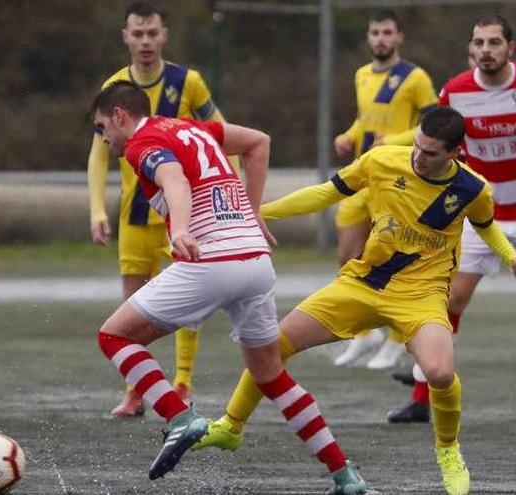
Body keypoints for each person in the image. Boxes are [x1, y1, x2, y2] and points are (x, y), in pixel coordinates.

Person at [193, 105, 516, 495]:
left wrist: (513, 259)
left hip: (422, 295)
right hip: (363, 284)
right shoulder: (382, 160)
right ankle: (230, 427)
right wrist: (259, 213)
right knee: (273, 345)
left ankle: (448, 451)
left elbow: (487, 227)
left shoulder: (473, 189)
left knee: (441, 374)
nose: (419, 156)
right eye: (417, 146)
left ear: (454, 152)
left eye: (430, 153)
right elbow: (325, 193)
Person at [89, 81, 366, 492]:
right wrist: (252, 214)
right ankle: (345, 476)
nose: (104, 139)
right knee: (271, 375)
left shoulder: (140, 144)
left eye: (101, 128)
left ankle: (180, 417)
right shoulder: (193, 128)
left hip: (211, 261)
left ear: (118, 116)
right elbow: (258, 142)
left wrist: (181, 229)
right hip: (256, 262)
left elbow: (175, 180)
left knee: (113, 336)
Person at [386, 14, 516, 427]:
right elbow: (432, 146)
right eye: (479, 43)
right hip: (478, 216)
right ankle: (420, 398)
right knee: (447, 300)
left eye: (494, 43)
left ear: (510, 48)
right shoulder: (456, 91)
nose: (486, 50)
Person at [87, 2, 231, 417]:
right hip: (135, 215)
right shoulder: (113, 87)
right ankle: (136, 390)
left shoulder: (189, 82)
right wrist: (97, 209)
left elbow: (221, 137)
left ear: (164, 35)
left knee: (188, 299)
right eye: (138, 34)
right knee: (132, 303)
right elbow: (98, 155)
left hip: (185, 215)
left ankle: (182, 382)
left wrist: (232, 197)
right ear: (125, 37)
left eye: (153, 33)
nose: (146, 41)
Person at [331, 9, 439, 370]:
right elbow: (365, 118)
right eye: (375, 32)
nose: (380, 38)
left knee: (396, 261)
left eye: (387, 32)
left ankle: (395, 339)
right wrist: (348, 137)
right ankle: (365, 335)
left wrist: (396, 140)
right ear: (368, 37)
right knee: (348, 256)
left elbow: (433, 123)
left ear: (399, 37)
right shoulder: (361, 75)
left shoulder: (415, 77)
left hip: (399, 179)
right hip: (365, 175)